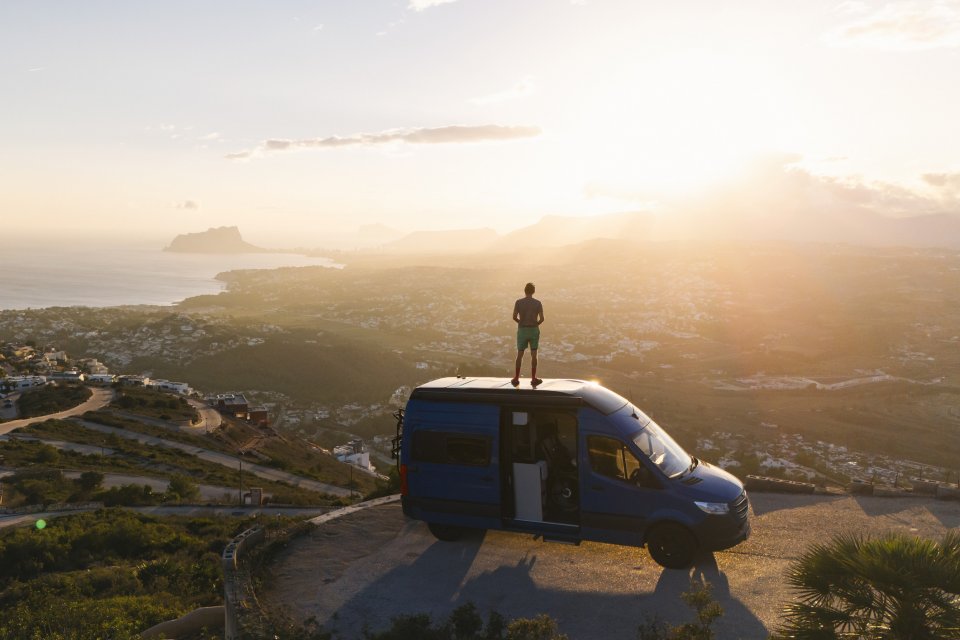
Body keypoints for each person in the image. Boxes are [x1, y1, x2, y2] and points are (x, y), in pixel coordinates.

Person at [512, 282, 544, 386]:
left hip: (522, 330)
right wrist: (536, 324)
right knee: (534, 355)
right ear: (533, 291)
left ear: (524, 291)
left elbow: (514, 316)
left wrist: (521, 322)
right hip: (534, 329)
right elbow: (542, 319)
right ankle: (534, 378)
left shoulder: (518, 302)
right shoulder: (538, 303)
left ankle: (516, 378)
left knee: (520, 354)